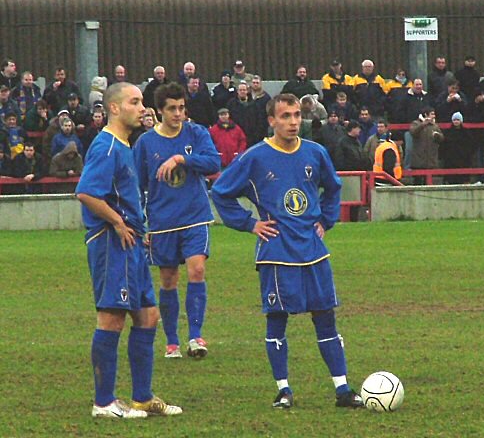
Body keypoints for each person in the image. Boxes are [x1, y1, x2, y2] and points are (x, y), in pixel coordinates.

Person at [211, 92, 365, 409]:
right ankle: (283, 390)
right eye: (285, 116)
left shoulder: (315, 152)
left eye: (296, 115)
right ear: (272, 121)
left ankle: (343, 390)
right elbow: (220, 192)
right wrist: (249, 223)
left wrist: (326, 219)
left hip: (313, 249)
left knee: (326, 318)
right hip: (277, 251)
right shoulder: (255, 157)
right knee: (277, 319)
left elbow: (333, 187)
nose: (293, 122)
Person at [75, 82, 182, 418]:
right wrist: (119, 223)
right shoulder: (105, 146)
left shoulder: (124, 146)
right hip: (112, 242)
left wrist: (138, 228)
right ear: (115, 108)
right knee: (111, 317)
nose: (143, 108)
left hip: (132, 242)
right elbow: (87, 193)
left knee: (148, 315)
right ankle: (104, 402)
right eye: (135, 102)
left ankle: (142, 397)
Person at [133, 82, 221, 359]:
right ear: (158, 111)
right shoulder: (145, 143)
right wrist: (139, 224)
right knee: (168, 279)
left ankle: (195, 336)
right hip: (162, 222)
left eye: (181, 107)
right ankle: (172, 341)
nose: (178, 114)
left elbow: (213, 164)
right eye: (172, 109)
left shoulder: (197, 133)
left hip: (195, 216)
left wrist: (182, 158)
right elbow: (135, 184)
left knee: (197, 270)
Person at [441, 112, 473, 184]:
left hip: (463, 160)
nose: (456, 121)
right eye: (454, 120)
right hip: (450, 160)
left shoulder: (466, 133)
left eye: (458, 120)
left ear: (461, 121)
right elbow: (444, 146)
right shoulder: (448, 132)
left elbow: (470, 145)